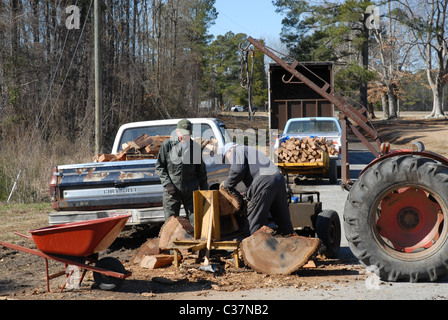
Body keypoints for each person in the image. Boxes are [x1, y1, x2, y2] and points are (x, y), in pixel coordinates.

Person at [221, 142, 295, 236]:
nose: (229, 161)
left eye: (227, 158)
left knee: (253, 224)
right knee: (283, 220)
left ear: (229, 150)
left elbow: (237, 170)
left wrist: (227, 184)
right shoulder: (249, 149)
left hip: (265, 181)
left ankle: (251, 248)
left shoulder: (236, 150)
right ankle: (293, 244)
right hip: (278, 178)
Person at [156, 119, 208, 225]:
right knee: (171, 223)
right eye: (183, 134)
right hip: (172, 191)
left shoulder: (196, 148)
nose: (185, 137)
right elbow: (160, 167)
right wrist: (168, 184)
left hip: (190, 190)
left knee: (195, 222)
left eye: (187, 134)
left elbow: (201, 172)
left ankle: (193, 240)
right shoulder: (167, 145)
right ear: (177, 131)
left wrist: (204, 192)